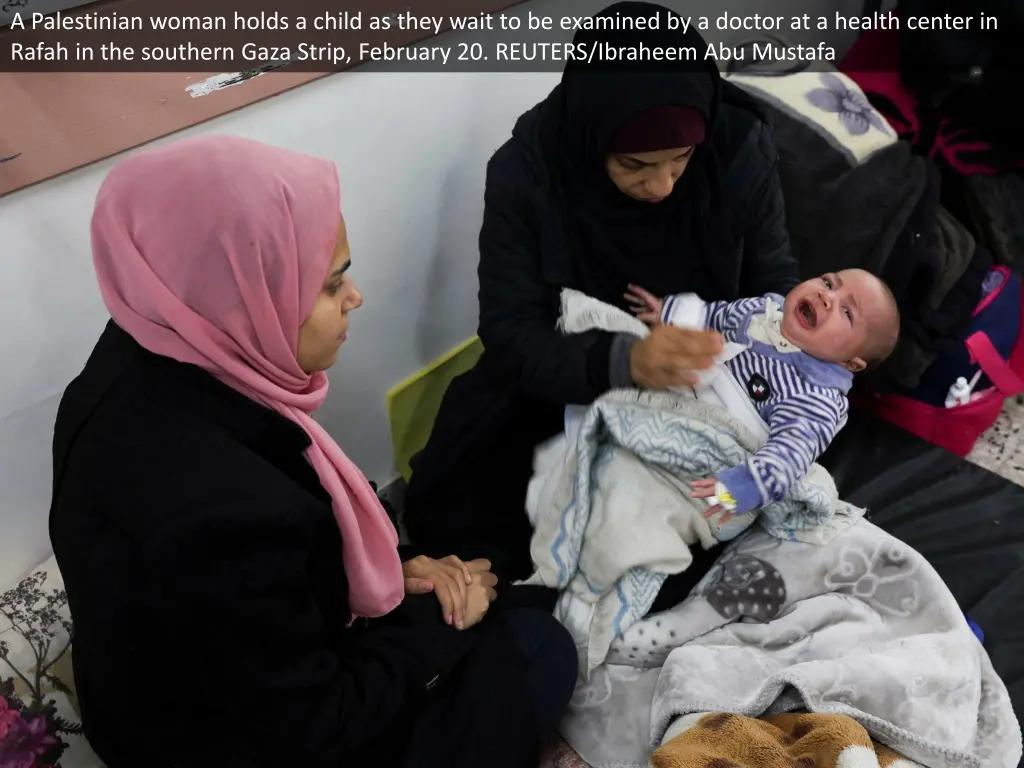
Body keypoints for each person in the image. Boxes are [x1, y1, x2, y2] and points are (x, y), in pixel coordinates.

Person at [47, 135, 577, 768]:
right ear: (241, 296)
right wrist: (438, 622)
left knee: (499, 591)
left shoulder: (142, 354)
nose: (355, 297)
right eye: (330, 285)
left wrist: (393, 574)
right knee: (537, 643)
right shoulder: (220, 511)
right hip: (234, 740)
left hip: (189, 682)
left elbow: (264, 588)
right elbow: (316, 723)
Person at [404, 1, 802, 592]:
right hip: (565, 384)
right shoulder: (529, 170)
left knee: (706, 529)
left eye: (680, 161)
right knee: (484, 533)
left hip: (710, 387)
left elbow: (773, 289)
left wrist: (737, 359)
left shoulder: (737, 146)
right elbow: (512, 332)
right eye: (634, 165)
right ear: (593, 138)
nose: (662, 186)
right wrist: (624, 362)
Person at [626, 268, 900, 521]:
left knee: (665, 510)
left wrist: (739, 488)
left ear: (850, 363)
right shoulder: (761, 311)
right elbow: (714, 316)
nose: (826, 296)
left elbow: (788, 456)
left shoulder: (816, 397)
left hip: (723, 464)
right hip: (679, 398)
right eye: (829, 282)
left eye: (847, 312)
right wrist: (670, 312)